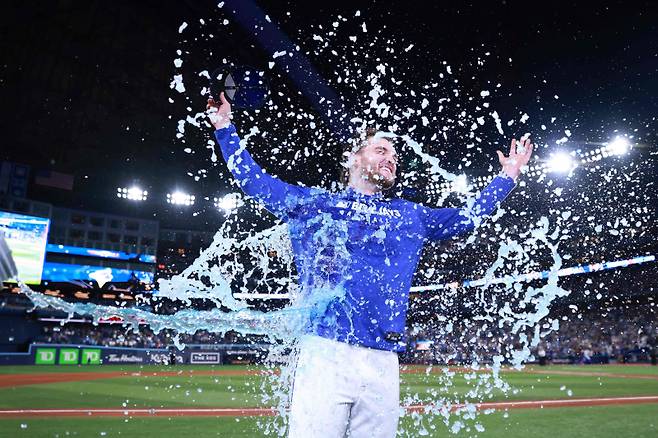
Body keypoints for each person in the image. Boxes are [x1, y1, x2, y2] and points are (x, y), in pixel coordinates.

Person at [207, 92, 533, 438]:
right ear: (353, 159)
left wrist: (507, 176)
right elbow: (254, 182)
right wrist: (224, 126)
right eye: (381, 150)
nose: (391, 159)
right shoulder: (317, 204)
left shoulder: (411, 215)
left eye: (394, 155)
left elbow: (467, 218)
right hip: (326, 352)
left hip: (383, 360)